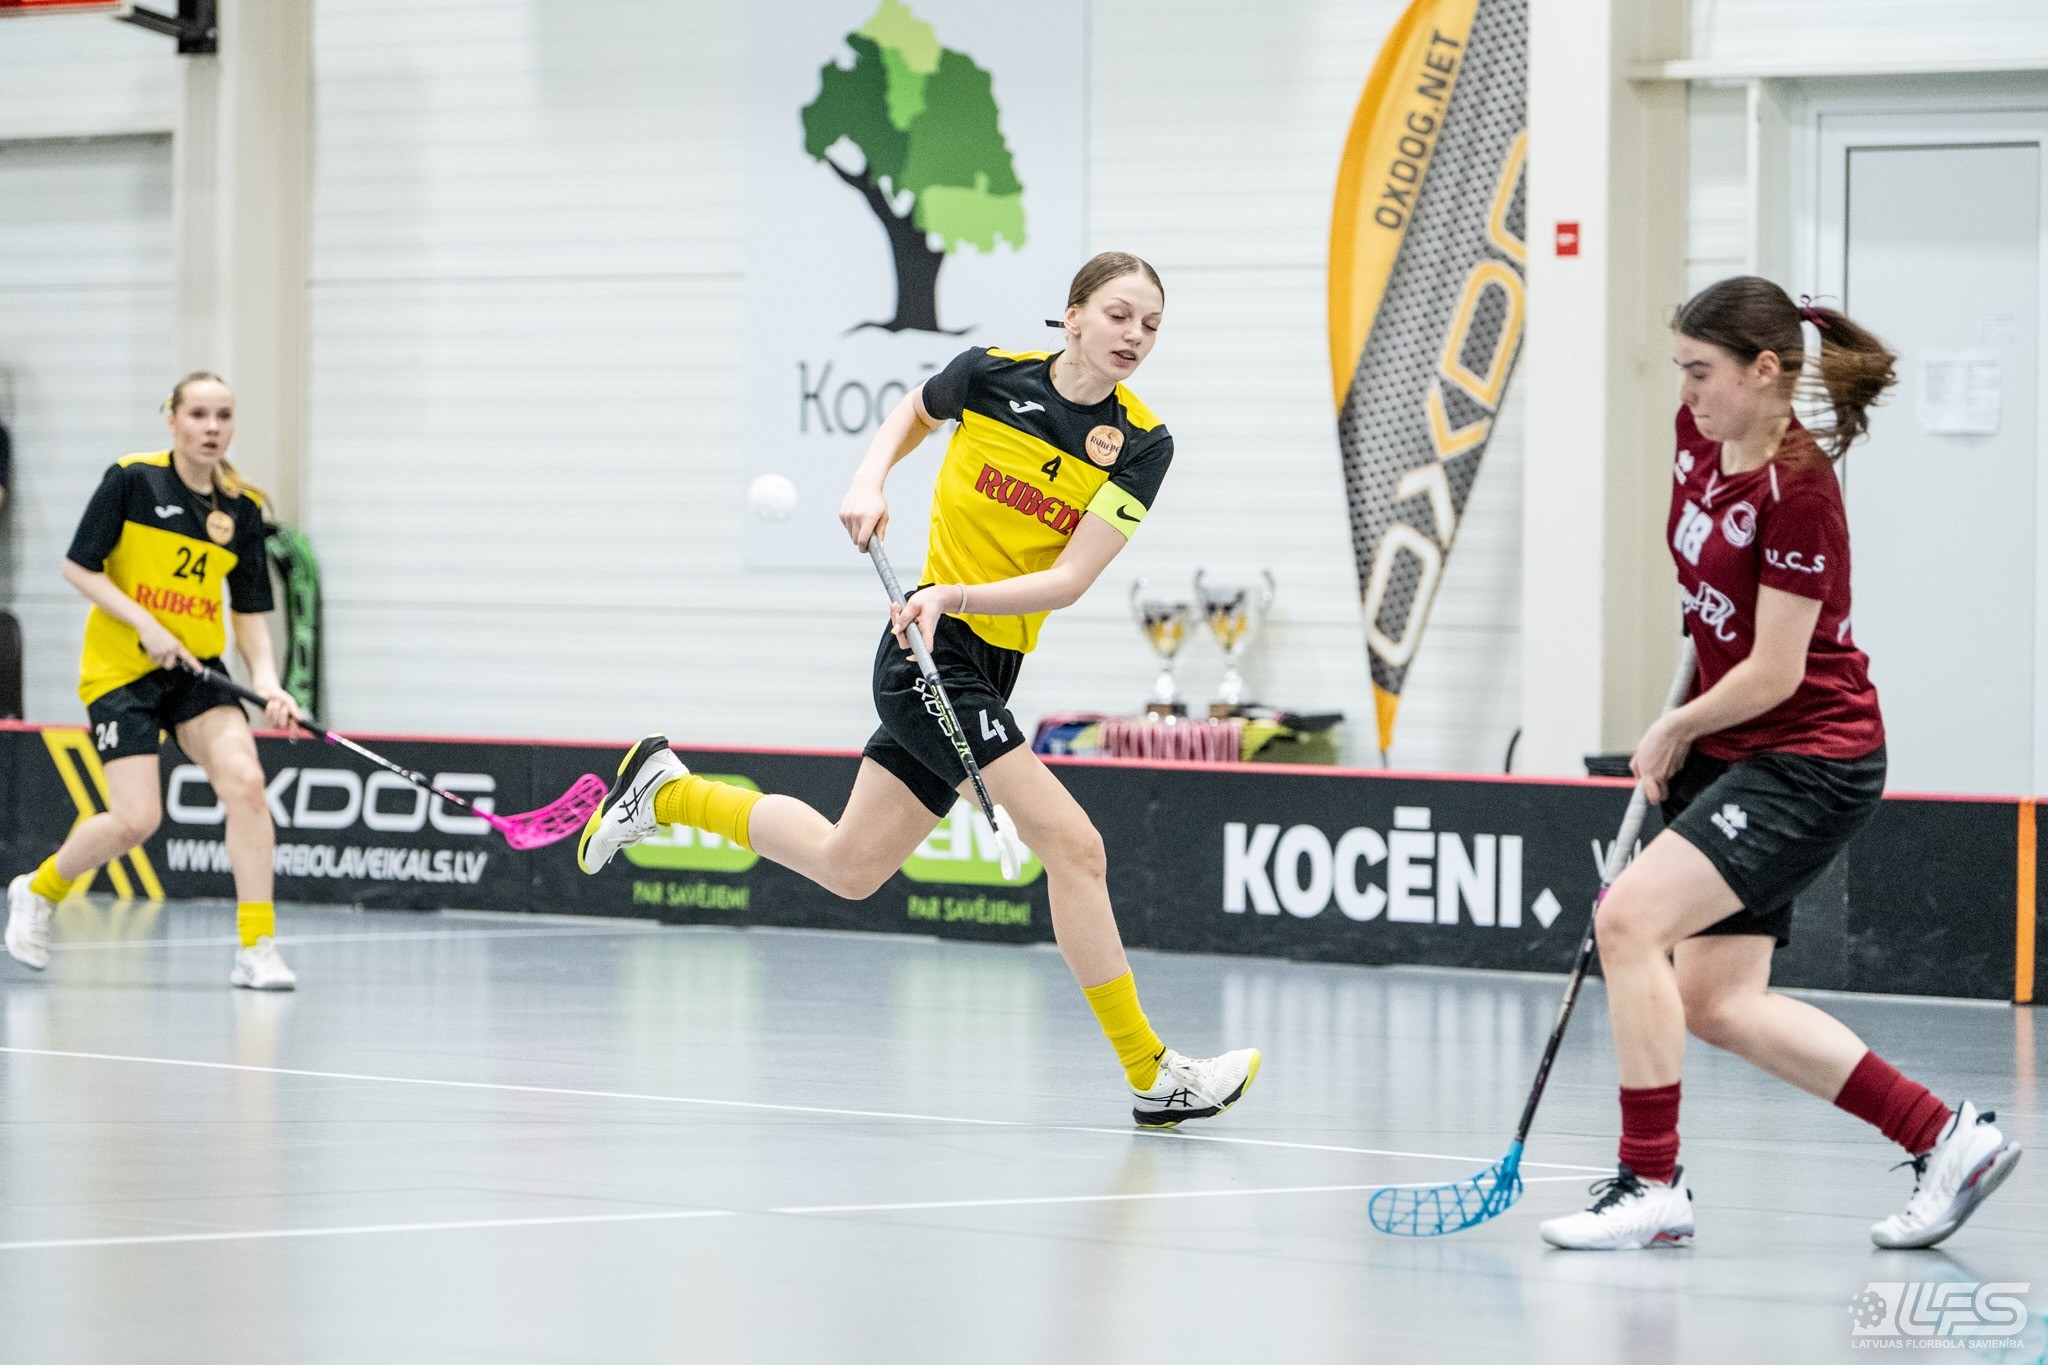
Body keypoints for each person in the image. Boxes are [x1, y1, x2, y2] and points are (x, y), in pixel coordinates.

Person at [578, 252, 1260, 1127]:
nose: (1135, 335)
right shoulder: (989, 376)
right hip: (928, 657)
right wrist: (869, 479)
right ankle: (1150, 1071)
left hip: (979, 649)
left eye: (1152, 325)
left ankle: (667, 792)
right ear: (1074, 316)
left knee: (849, 865)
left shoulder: (1141, 444)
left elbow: (1069, 580)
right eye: (1120, 314)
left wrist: (957, 596)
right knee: (1076, 847)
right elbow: (914, 410)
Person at [1539, 278, 2021, 1251]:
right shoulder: (1696, 439)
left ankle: (1649, 1183)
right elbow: (1706, 599)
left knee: (1626, 919)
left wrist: (1672, 728)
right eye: (1680, 370)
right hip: (1734, 747)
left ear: (1764, 371)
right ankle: (1944, 1137)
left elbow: (1774, 670)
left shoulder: (1800, 494)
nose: (1686, 393)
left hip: (1809, 757)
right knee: (1716, 1003)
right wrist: (1693, 722)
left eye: (1700, 371)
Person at [4, 372, 302, 990]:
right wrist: (146, 624)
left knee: (247, 784)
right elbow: (78, 568)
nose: (212, 428)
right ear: (173, 419)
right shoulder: (132, 480)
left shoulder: (242, 509)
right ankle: (39, 889)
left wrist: (269, 682)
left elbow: (250, 613)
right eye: (198, 415)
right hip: (122, 672)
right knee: (136, 820)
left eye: (223, 416)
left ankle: (257, 947)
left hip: (196, 671)